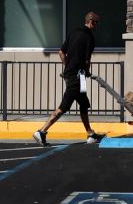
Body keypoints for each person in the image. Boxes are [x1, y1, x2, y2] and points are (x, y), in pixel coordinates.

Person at [33, 12, 105, 145]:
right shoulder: (89, 37)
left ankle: (90, 134)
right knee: (64, 107)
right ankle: (42, 131)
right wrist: (86, 71)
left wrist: (68, 67)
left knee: (84, 104)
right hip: (77, 77)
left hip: (73, 75)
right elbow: (87, 59)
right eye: (96, 23)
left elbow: (61, 52)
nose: (97, 26)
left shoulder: (74, 32)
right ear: (91, 22)